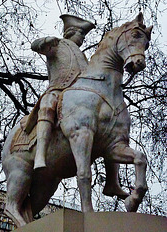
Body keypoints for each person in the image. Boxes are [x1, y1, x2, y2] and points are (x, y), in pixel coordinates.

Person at [30, 14, 128, 199]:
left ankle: (112, 181)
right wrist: (45, 42)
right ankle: (40, 156)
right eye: (80, 35)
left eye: (83, 36)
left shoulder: (83, 56)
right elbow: (37, 46)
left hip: (80, 98)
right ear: (71, 32)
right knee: (47, 106)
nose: (82, 39)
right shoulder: (57, 45)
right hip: (58, 90)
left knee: (109, 128)